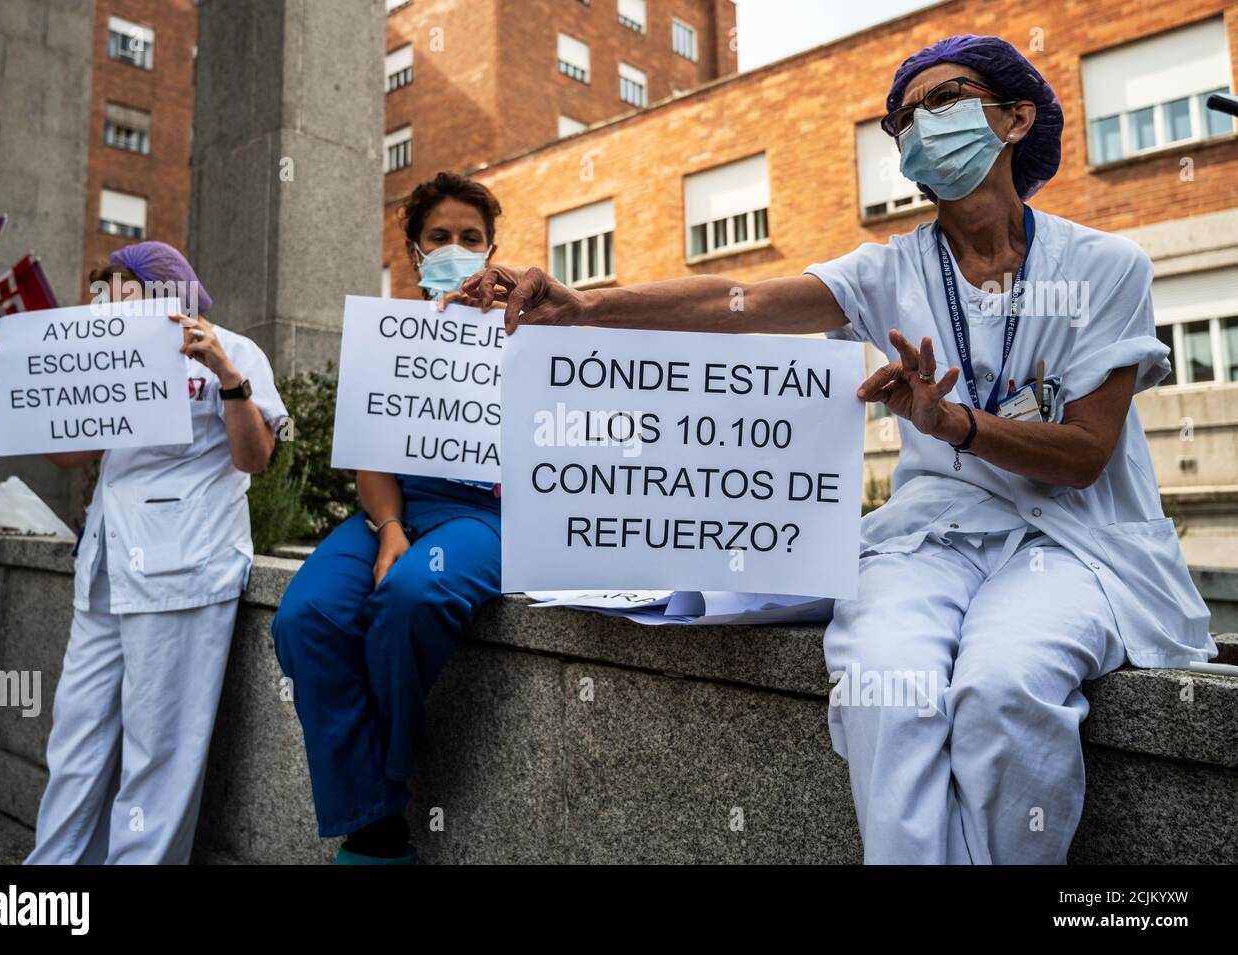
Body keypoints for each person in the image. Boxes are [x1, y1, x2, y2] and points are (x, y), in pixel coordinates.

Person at [448, 35, 1215, 864]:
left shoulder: (1107, 266)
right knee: (887, 682)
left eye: (945, 100)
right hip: (930, 541)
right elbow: (738, 300)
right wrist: (588, 307)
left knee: (1004, 687)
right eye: (902, 119)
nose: (921, 124)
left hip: (1069, 543)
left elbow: (1086, 453)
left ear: (1015, 116)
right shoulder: (891, 269)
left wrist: (956, 425)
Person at [0, 241, 288, 864]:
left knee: (158, 745)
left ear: (163, 286)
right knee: (76, 734)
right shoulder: (100, 354)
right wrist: (6, 379)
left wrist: (227, 377)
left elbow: (254, 458)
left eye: (119, 286)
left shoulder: (236, 350)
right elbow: (69, 453)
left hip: (185, 566)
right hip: (107, 567)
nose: (105, 300)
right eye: (103, 288)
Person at [271, 172, 503, 865]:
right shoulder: (389, 334)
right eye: (441, 237)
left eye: (472, 237)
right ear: (413, 249)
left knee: (414, 595)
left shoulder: (528, 333)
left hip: (485, 518)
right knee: (304, 616)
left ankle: (377, 807)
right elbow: (372, 453)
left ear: (493, 251)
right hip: (394, 507)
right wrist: (390, 529)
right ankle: (375, 819)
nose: (456, 248)